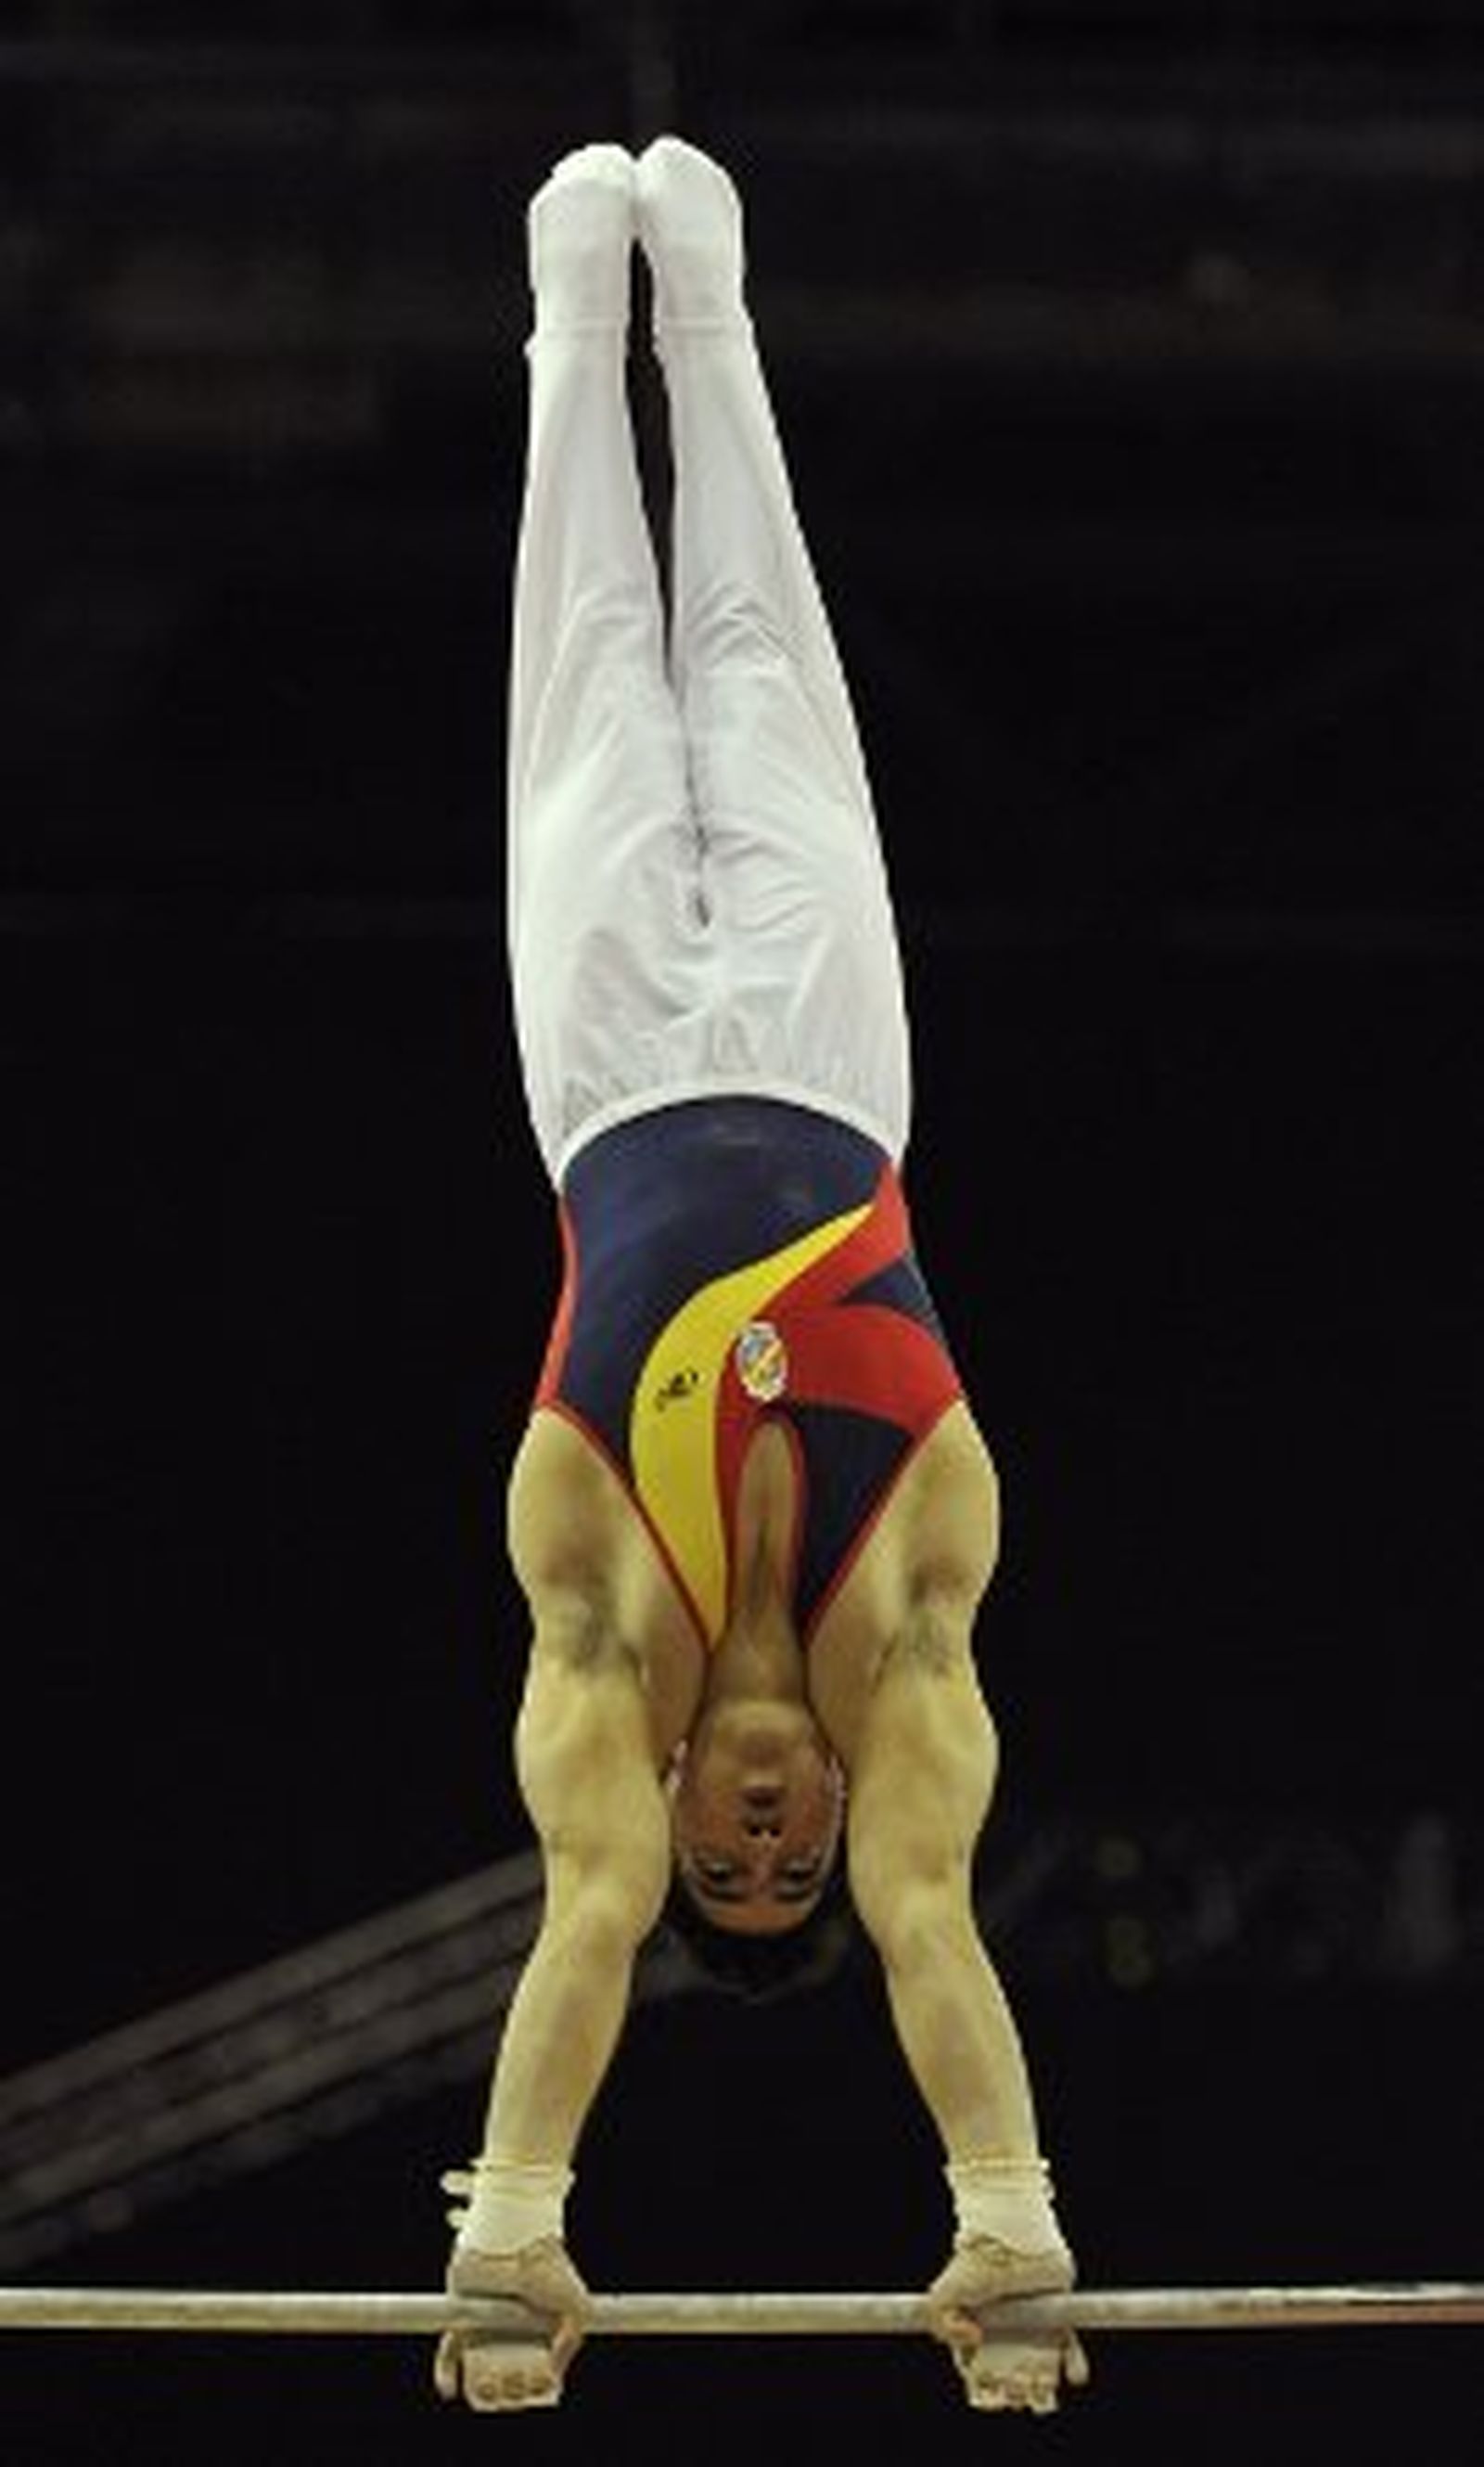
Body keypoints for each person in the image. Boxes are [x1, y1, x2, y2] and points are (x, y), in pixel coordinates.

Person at [434, 135, 1086, 2416]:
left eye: (729, 1864)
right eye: (778, 1869)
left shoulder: (599, 1640)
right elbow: (936, 1924)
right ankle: (698, 311)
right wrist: (1003, 2226)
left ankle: (563, 319)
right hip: (832, 1067)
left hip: (605, 1077)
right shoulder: (906, 1655)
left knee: (592, 661)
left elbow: (576, 1918)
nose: (761, 1839)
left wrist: (511, 2239)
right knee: (759, 646)